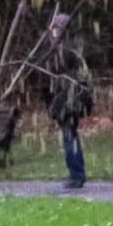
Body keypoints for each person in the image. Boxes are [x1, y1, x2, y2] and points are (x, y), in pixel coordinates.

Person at [37, 11, 92, 190]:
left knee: (69, 136)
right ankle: (76, 173)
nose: (53, 31)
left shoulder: (65, 51)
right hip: (65, 100)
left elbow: (52, 72)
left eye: (56, 27)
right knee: (70, 135)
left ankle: (77, 175)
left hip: (67, 101)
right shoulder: (69, 48)